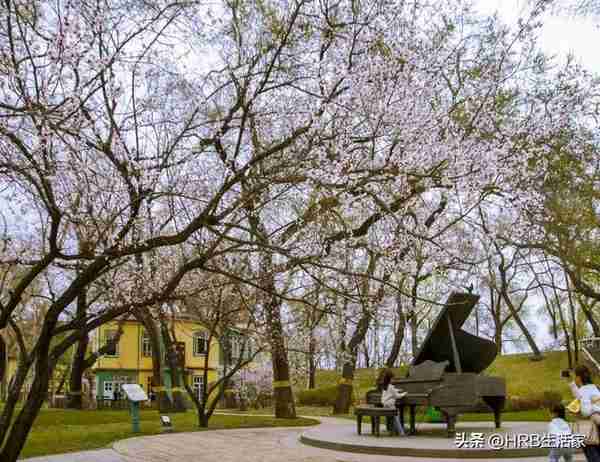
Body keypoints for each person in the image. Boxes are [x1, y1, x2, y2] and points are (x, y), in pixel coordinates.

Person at [569, 365, 600, 462]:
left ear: (578, 377)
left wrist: (576, 410)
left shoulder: (583, 391)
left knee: (592, 453)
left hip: (591, 426)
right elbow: (579, 395)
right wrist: (571, 384)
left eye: (575, 376)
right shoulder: (595, 388)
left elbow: (586, 411)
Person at [381, 369, 408, 436]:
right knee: (396, 416)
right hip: (390, 405)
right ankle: (401, 432)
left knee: (395, 416)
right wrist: (404, 393)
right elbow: (397, 396)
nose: (393, 380)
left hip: (384, 404)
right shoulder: (391, 387)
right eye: (392, 378)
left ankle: (393, 430)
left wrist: (398, 390)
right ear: (390, 379)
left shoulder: (385, 386)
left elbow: (391, 391)